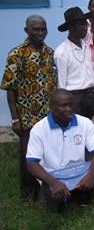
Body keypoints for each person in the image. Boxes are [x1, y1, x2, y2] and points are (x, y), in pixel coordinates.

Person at [1, 15, 57, 205]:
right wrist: (15, 119)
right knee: (29, 155)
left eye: (43, 29)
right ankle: (28, 194)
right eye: (36, 29)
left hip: (49, 115)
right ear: (27, 30)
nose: (40, 33)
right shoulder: (17, 54)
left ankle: (46, 187)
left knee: (48, 153)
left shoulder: (50, 53)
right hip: (28, 116)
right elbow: (10, 88)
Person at [26, 89, 94, 213]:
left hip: (79, 172)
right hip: (53, 175)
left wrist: (90, 175)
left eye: (71, 104)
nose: (68, 109)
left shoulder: (84, 123)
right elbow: (31, 163)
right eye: (63, 105)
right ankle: (63, 199)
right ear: (52, 107)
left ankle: (80, 197)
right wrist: (54, 183)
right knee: (55, 201)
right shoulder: (39, 129)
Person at [55, 7, 94, 119]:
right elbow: (61, 83)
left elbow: (91, 73)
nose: (86, 28)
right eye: (82, 25)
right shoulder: (61, 52)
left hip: (89, 96)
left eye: (86, 25)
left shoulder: (86, 47)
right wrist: (64, 104)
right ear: (71, 27)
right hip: (74, 98)